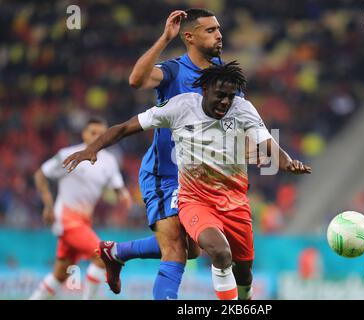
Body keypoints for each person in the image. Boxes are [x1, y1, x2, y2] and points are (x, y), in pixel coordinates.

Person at [63, 62, 312, 300]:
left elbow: (267, 142)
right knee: (218, 253)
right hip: (195, 200)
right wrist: (92, 148)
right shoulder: (181, 107)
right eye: (220, 95)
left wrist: (286, 162)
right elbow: (126, 127)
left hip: (235, 203)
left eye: (230, 96)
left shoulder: (243, 109)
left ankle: (117, 252)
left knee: (242, 273)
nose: (225, 102)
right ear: (203, 89)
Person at [98, 8, 229, 300]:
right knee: (176, 250)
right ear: (189, 37)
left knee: (192, 248)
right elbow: (136, 80)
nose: (219, 34)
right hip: (165, 174)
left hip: (196, 177)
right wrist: (163, 39)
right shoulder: (173, 70)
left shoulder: (222, 73)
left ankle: (116, 252)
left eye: (218, 28)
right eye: (210, 30)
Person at [29, 117, 131, 300]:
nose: (98, 137)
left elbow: (117, 187)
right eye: (93, 133)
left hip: (84, 222)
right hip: (66, 219)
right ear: (84, 134)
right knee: (103, 258)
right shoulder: (69, 154)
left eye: (102, 133)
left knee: (60, 275)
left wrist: (123, 195)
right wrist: (48, 204)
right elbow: (40, 175)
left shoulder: (109, 161)